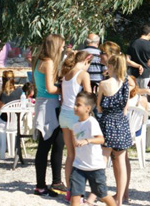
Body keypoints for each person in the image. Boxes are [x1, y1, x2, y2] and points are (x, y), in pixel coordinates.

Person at [33, 34, 67, 197]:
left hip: (45, 104)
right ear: (55, 46)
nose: (63, 48)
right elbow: (50, 88)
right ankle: (42, 184)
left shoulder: (39, 60)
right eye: (62, 45)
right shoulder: (49, 62)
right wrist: (66, 89)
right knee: (47, 145)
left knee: (57, 143)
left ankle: (55, 181)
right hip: (49, 105)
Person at [97, 54, 133, 206]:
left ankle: (97, 193)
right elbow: (126, 108)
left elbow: (99, 107)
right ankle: (119, 199)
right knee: (121, 163)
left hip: (107, 122)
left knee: (102, 161)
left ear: (110, 66)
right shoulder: (126, 83)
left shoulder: (103, 84)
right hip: (122, 123)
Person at [70, 92, 116, 206]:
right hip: (78, 166)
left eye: (78, 105)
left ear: (88, 108)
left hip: (95, 167)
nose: (75, 107)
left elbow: (101, 140)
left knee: (103, 194)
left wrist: (87, 141)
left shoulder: (92, 122)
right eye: (75, 104)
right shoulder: (75, 125)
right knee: (75, 197)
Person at [59, 51, 92, 201]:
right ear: (87, 60)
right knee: (79, 156)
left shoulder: (66, 74)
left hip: (64, 115)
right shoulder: (83, 74)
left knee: (70, 154)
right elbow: (88, 96)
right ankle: (77, 192)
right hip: (75, 116)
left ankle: (69, 190)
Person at [126, 24, 150, 89]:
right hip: (147, 75)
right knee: (145, 96)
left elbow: (127, 60)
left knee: (134, 96)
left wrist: (137, 65)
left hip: (133, 75)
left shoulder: (132, 43)